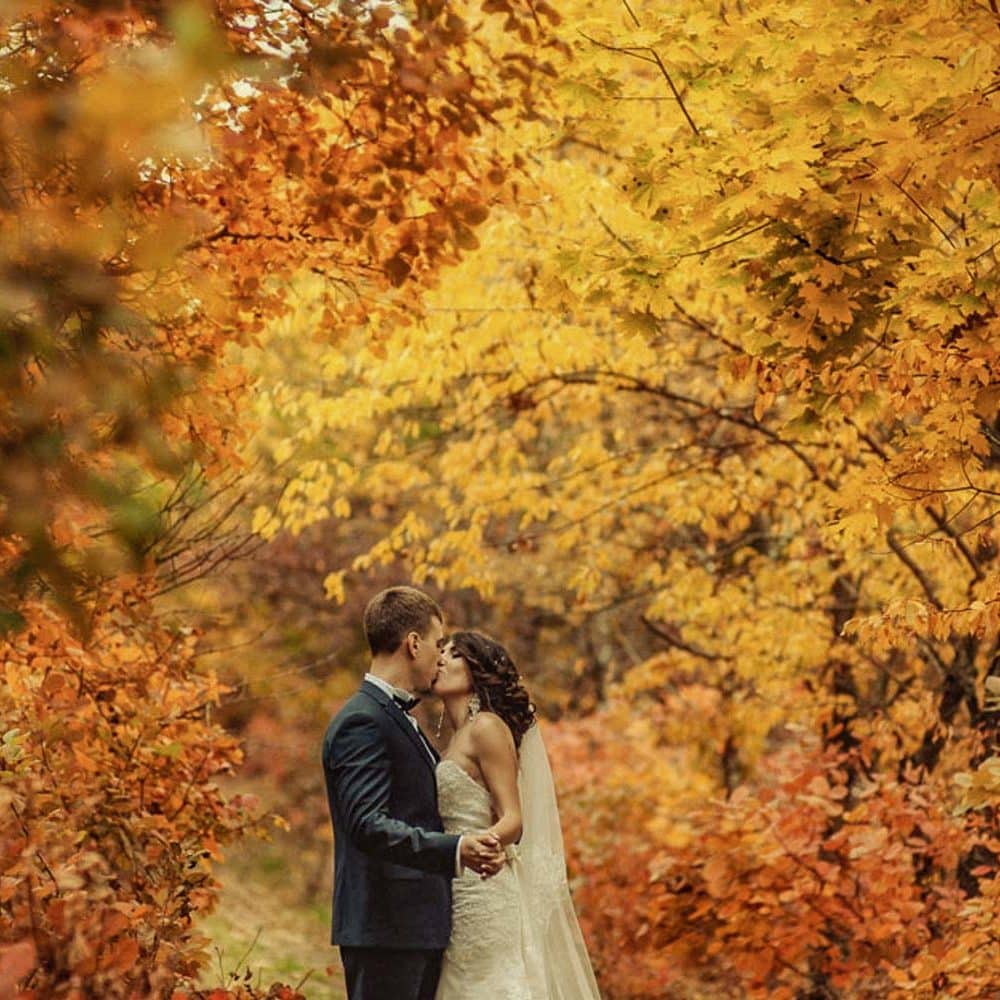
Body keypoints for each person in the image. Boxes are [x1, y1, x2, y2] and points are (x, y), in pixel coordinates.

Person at [321, 587, 505, 1000]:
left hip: (415, 927)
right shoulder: (362, 721)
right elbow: (367, 824)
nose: (440, 657)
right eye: (438, 644)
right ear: (413, 643)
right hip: (387, 929)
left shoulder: (398, 717)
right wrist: (456, 848)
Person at [432, 630, 602, 1000]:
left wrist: (479, 845)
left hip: (485, 884)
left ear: (477, 671)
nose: (441, 658)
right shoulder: (453, 740)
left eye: (454, 654)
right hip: (456, 887)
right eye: (440, 650)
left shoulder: (487, 727)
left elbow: (513, 818)